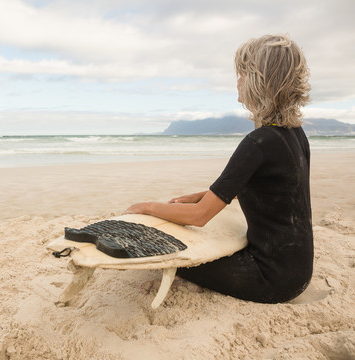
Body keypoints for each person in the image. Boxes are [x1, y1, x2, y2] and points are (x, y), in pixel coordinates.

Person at [124, 34, 313, 303]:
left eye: (243, 74)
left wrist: (145, 207)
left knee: (166, 256)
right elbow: (265, 186)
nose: (237, 81)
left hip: (270, 278)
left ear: (260, 82)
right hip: (298, 270)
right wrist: (198, 195)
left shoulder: (257, 143)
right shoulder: (294, 133)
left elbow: (200, 217)